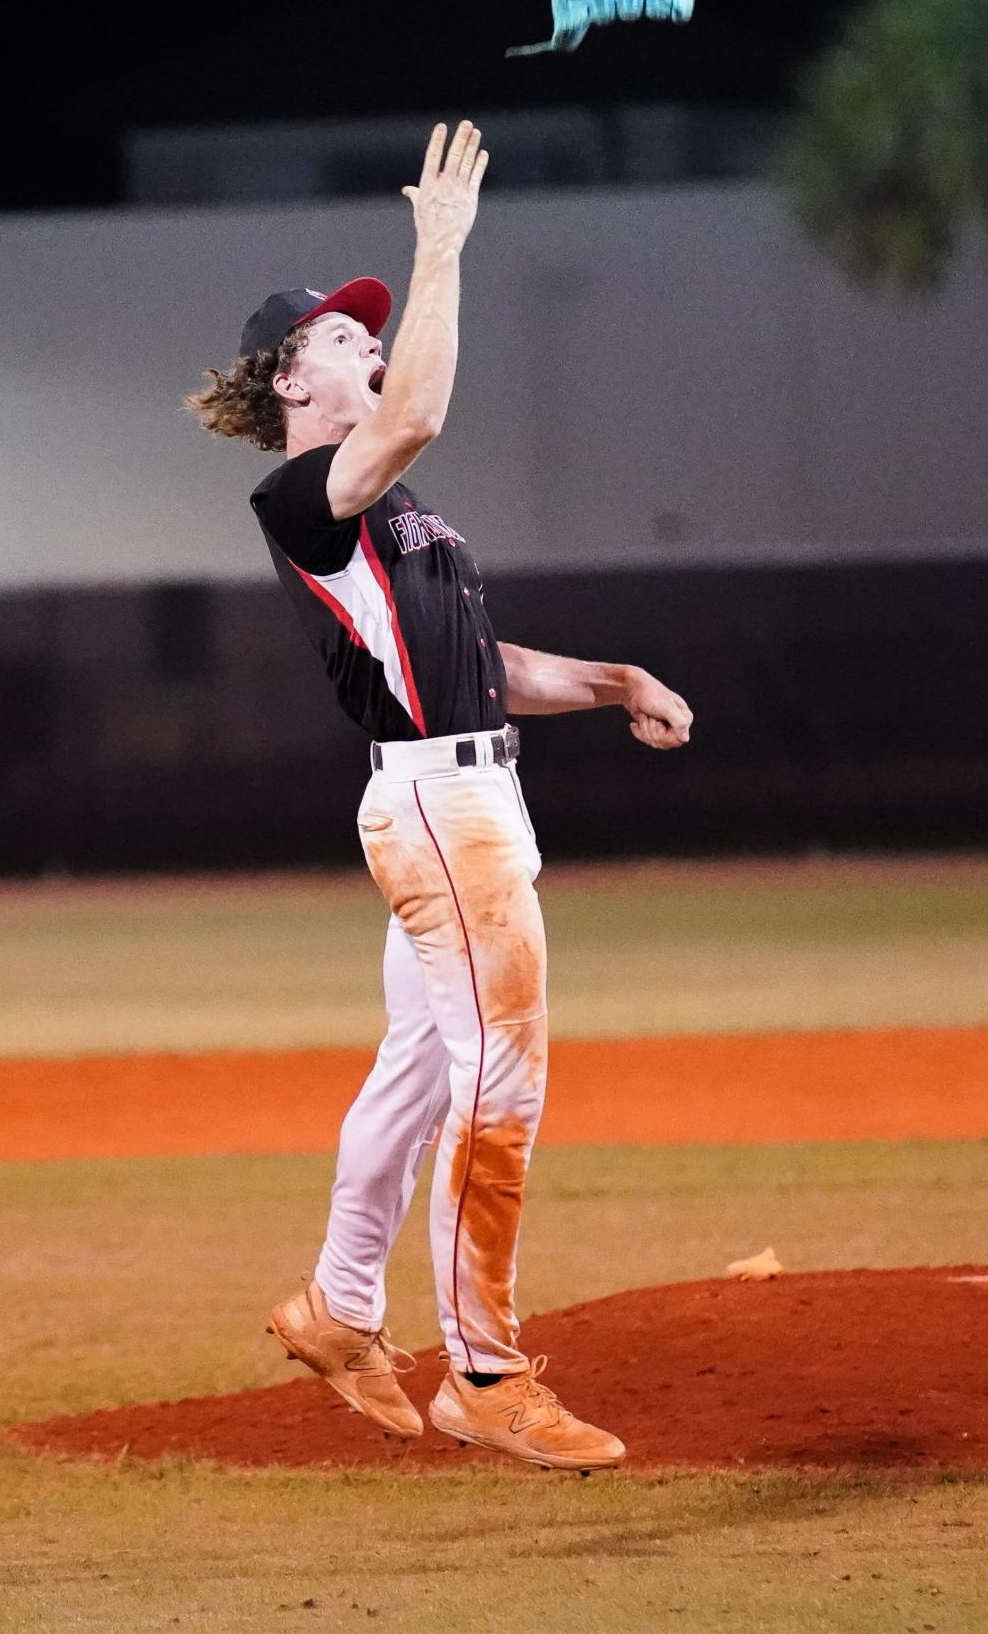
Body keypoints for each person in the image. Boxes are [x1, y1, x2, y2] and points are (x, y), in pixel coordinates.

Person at [185, 121, 693, 1473]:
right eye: (344, 336)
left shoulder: (398, 514)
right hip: (436, 815)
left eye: (371, 328)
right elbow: (415, 406)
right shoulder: (307, 497)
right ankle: (483, 1368)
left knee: (416, 1073)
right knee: (500, 1085)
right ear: (288, 376)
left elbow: (482, 667)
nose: (370, 340)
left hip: (463, 799)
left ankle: (339, 1308)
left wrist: (611, 676)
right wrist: (440, 250)